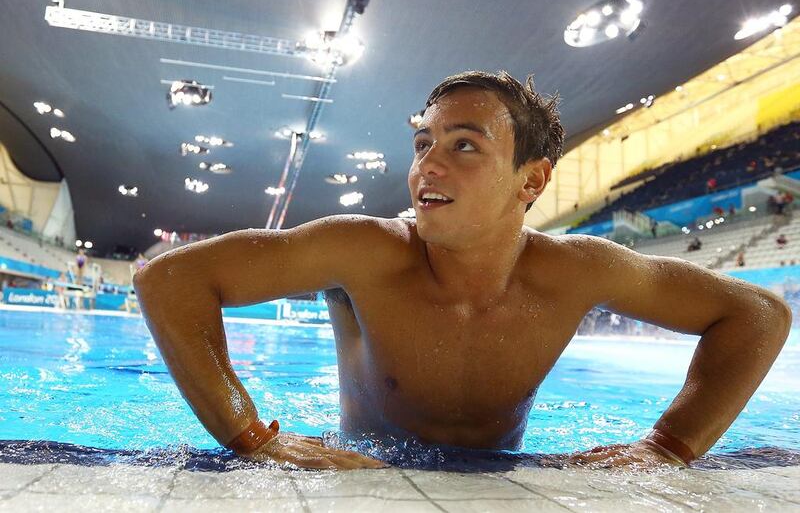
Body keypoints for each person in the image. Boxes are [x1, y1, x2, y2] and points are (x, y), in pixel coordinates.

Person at [135, 71, 791, 471]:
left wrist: (668, 445)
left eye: (464, 146)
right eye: (423, 143)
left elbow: (758, 314)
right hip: (369, 472)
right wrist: (250, 436)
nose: (428, 166)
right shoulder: (364, 251)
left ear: (531, 179)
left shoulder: (575, 271)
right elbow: (169, 281)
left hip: (497, 474)